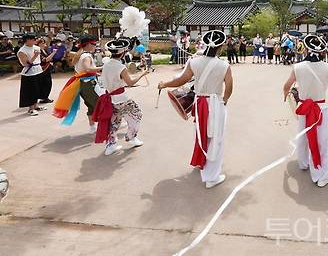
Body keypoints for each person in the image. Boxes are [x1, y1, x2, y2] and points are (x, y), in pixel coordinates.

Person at [158, 30, 234, 188]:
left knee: (201, 133)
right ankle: (211, 177)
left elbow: (181, 80)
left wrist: (164, 84)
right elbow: (229, 87)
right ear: (221, 46)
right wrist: (224, 101)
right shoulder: (224, 65)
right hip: (215, 103)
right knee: (216, 138)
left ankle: (202, 162)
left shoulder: (195, 62)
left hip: (199, 103)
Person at [283, 34, 328, 188]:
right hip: (320, 108)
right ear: (322, 50)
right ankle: (321, 175)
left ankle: (303, 163)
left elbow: (286, 86)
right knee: (322, 140)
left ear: (307, 48)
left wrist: (287, 99)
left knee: (302, 135)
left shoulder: (298, 67)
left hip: (303, 107)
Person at [93, 38, 148, 155]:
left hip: (109, 96)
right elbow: (130, 83)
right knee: (137, 114)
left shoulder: (106, 64)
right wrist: (142, 74)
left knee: (114, 121)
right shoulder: (120, 67)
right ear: (123, 53)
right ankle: (131, 137)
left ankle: (111, 145)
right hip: (121, 97)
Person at [53, 35, 104, 132]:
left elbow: (82, 70)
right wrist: (102, 67)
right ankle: (105, 125)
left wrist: (95, 72)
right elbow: (87, 68)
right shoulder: (86, 56)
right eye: (94, 44)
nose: (95, 46)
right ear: (88, 44)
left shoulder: (80, 54)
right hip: (88, 83)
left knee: (91, 105)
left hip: (82, 83)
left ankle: (92, 126)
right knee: (99, 104)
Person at [17, 33, 44, 116]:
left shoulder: (36, 47)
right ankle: (31, 108)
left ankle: (36, 106)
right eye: (32, 39)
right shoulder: (22, 51)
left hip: (38, 70)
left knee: (38, 89)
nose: (34, 40)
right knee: (31, 91)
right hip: (29, 73)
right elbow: (26, 64)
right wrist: (35, 56)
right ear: (27, 40)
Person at [37, 38, 55, 104]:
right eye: (42, 43)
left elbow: (49, 58)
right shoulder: (38, 51)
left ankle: (45, 97)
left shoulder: (45, 50)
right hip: (42, 69)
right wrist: (53, 53)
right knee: (45, 83)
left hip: (47, 68)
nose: (44, 44)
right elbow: (45, 60)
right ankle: (43, 97)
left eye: (44, 42)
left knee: (48, 83)